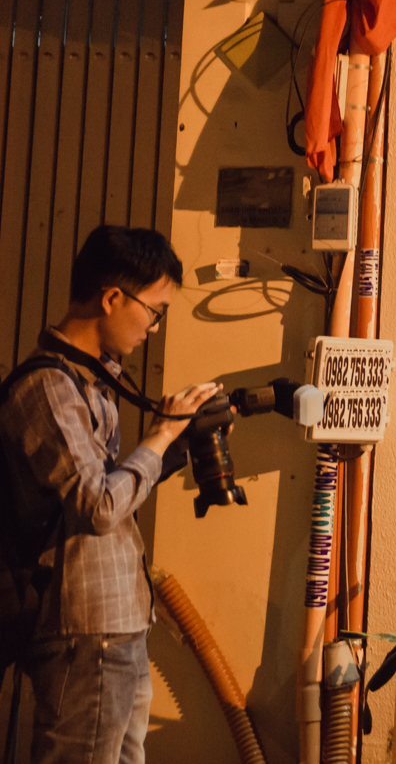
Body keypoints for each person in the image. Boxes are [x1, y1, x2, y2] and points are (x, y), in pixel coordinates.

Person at [0, 225, 220, 764]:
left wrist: (177, 444)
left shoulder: (92, 382)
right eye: (153, 310)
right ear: (113, 297)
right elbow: (97, 507)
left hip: (117, 622)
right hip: (83, 627)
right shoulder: (48, 387)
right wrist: (161, 433)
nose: (153, 327)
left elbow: (113, 492)